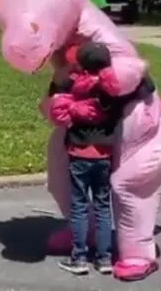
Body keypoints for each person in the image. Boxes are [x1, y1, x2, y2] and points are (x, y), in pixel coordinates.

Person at [48, 42, 121, 275]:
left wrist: (63, 75)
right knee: (103, 206)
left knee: (79, 206)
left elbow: (57, 99)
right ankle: (105, 258)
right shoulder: (113, 89)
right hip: (104, 153)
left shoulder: (74, 86)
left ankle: (79, 258)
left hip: (78, 152)